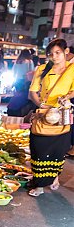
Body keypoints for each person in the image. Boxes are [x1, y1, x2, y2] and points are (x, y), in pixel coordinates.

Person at [27, 38, 74, 197]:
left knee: (58, 152)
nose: (54, 56)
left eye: (58, 53)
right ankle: (40, 185)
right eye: (51, 54)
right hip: (44, 114)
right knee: (38, 150)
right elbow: (32, 92)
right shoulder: (41, 69)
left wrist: (66, 97)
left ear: (66, 52)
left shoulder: (72, 69)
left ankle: (53, 177)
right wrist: (41, 105)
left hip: (62, 115)